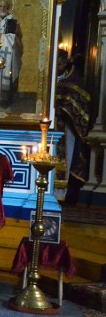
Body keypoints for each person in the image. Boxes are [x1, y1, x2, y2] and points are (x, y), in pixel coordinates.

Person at [54, 50, 92, 205]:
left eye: (58, 64)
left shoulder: (74, 82)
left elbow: (81, 106)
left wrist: (63, 109)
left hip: (66, 129)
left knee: (66, 158)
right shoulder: (47, 80)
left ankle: (60, 194)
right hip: (51, 127)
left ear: (63, 63)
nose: (56, 67)